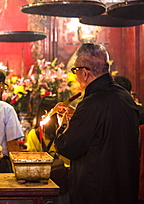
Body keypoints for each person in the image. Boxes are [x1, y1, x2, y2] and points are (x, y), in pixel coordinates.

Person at [54, 43, 140, 204]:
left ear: (85, 73)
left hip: (96, 190)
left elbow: (69, 147)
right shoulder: (124, 96)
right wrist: (78, 117)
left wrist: (62, 125)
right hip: (124, 188)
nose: (75, 75)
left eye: (75, 70)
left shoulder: (91, 103)